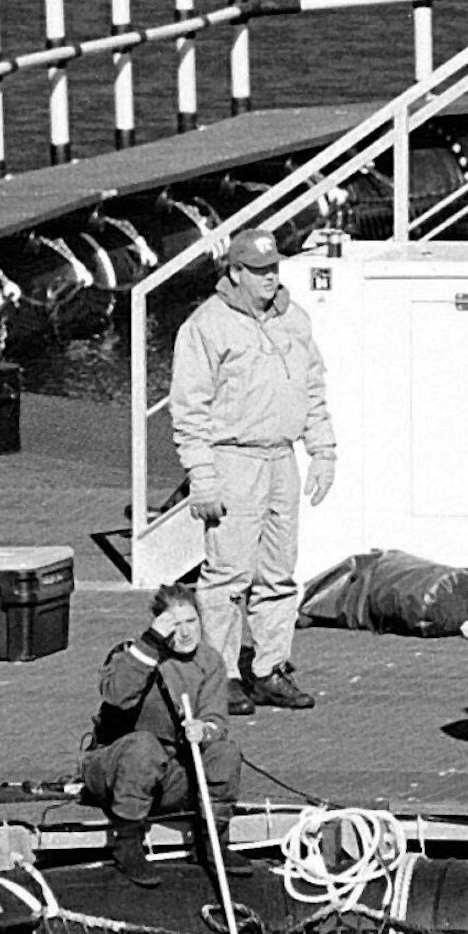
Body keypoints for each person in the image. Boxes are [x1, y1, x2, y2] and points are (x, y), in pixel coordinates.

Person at [170, 226, 335, 716]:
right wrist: (202, 476)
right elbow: (189, 409)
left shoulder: (294, 320)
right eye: (259, 271)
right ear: (235, 272)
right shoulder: (207, 325)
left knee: (280, 573)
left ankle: (268, 668)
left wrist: (322, 450)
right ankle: (219, 677)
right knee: (226, 575)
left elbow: (312, 389)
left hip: (280, 455)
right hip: (233, 457)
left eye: (274, 268)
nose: (270, 278)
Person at [83, 584, 253, 888]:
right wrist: (150, 644)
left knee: (225, 752)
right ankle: (128, 845)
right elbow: (116, 695)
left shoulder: (209, 661)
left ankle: (212, 840)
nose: (186, 633)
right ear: (159, 626)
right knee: (145, 747)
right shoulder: (134, 654)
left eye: (192, 623)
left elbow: (216, 720)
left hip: (168, 777)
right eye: (175, 625)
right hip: (116, 771)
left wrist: (204, 731)